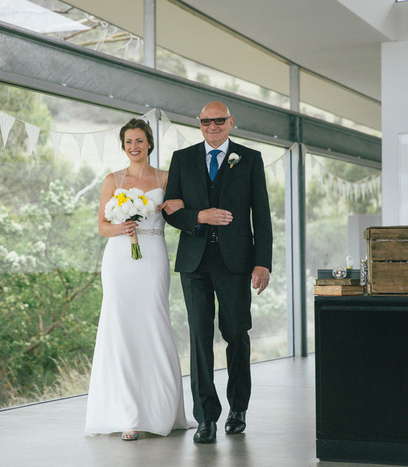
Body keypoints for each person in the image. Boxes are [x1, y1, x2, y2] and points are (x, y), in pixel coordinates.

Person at [162, 101, 273, 444]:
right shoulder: (182, 158)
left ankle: (238, 408)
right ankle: (206, 418)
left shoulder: (249, 158)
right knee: (198, 338)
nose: (213, 125)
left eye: (219, 120)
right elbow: (170, 210)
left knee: (236, 334)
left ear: (230, 122)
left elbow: (262, 214)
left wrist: (262, 262)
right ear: (199, 124)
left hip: (237, 262)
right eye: (206, 121)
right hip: (194, 262)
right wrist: (198, 216)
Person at [85, 118, 192, 441]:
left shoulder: (167, 177)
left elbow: (182, 209)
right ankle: (126, 414)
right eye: (129, 142)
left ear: (149, 144)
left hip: (153, 255)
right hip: (120, 259)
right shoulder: (112, 180)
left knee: (153, 325)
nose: (134, 147)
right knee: (120, 330)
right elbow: (102, 225)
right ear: (124, 146)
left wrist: (180, 204)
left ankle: (162, 411)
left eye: (140, 141)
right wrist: (121, 228)